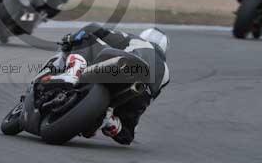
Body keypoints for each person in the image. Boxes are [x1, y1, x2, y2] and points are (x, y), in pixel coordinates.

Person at [41, 23, 170, 145]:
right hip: (137, 96)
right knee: (127, 136)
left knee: (88, 38)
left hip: (123, 68)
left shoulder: (138, 40)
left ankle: (73, 73)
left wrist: (71, 38)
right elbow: (149, 99)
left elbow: (96, 29)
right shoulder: (166, 74)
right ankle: (111, 122)